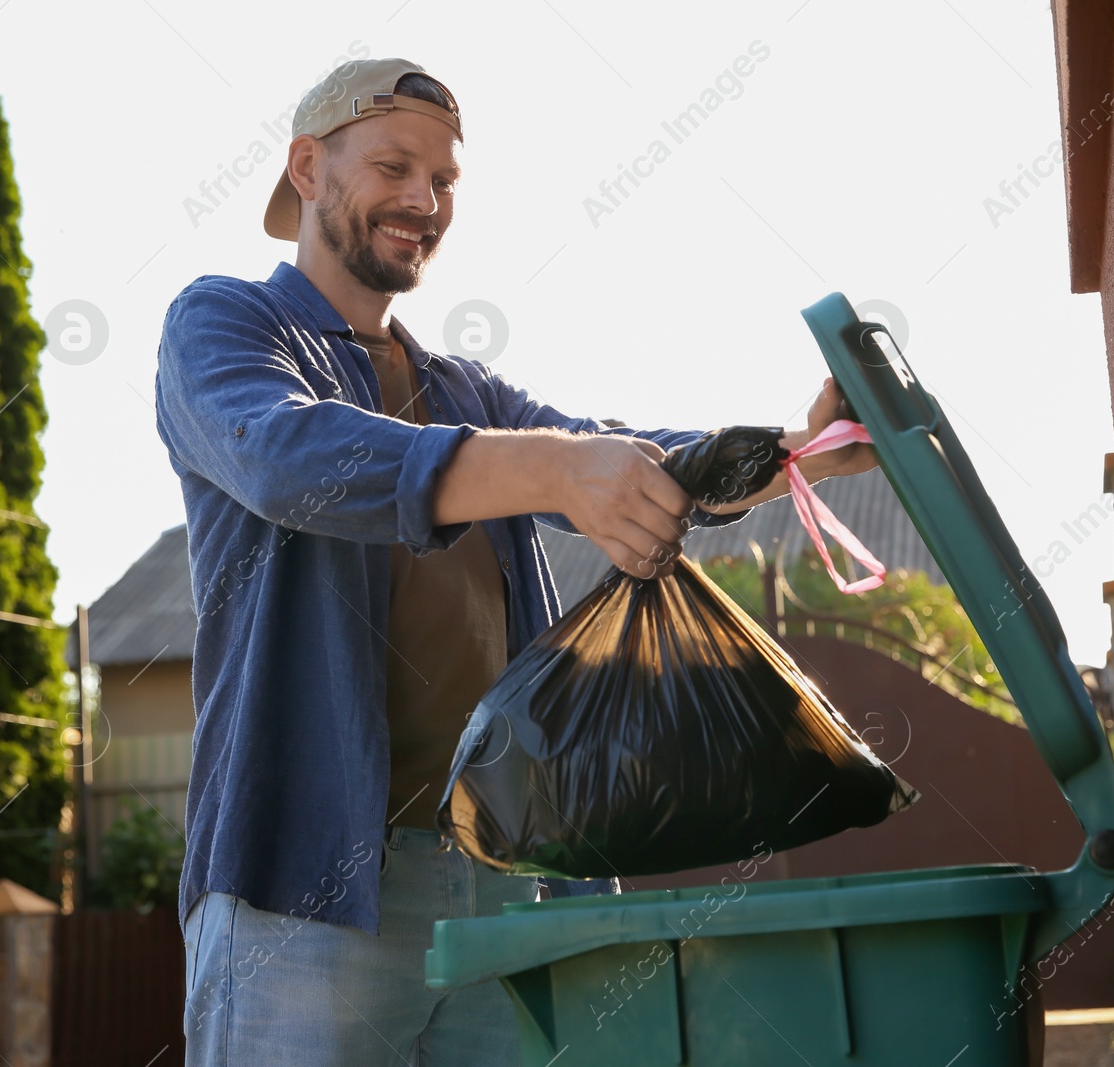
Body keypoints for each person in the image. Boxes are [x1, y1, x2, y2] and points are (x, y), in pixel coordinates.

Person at [155, 57, 875, 1066]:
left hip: (508, 879)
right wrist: (555, 467)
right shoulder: (223, 325)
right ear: (309, 167)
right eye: (395, 167)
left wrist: (795, 455)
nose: (424, 200)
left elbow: (626, 454)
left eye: (444, 181)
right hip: (306, 887)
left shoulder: (466, 391)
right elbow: (286, 457)